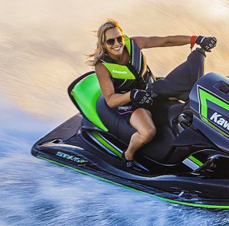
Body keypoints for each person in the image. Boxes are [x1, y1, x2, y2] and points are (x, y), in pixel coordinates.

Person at [87, 19, 216, 170]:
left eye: (119, 38)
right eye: (110, 41)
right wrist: (133, 95)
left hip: (154, 91)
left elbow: (166, 41)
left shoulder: (134, 44)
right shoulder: (102, 66)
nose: (117, 43)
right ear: (103, 44)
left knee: (193, 93)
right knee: (148, 132)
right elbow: (110, 100)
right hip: (132, 104)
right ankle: (128, 154)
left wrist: (196, 39)